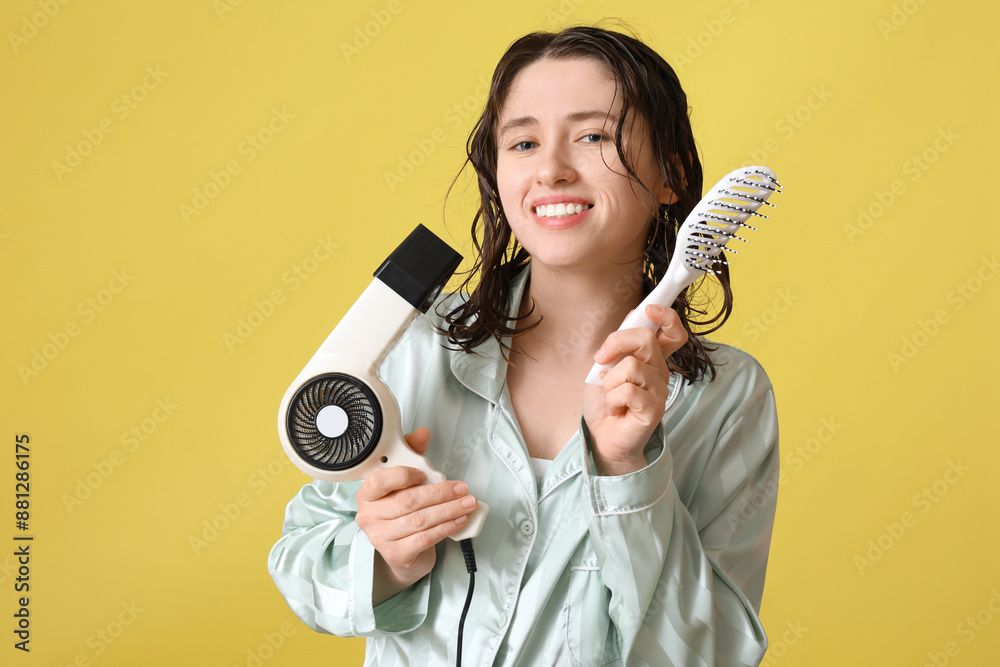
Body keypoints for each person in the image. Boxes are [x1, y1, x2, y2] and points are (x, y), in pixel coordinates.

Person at [268, 25, 779, 666]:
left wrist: (630, 471)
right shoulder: (412, 346)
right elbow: (301, 563)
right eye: (524, 141)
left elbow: (714, 652)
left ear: (671, 175)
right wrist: (387, 559)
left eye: (593, 136)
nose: (551, 170)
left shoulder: (726, 397)